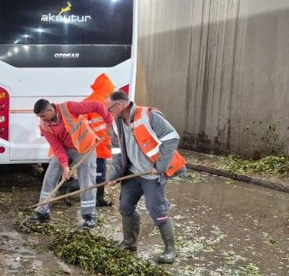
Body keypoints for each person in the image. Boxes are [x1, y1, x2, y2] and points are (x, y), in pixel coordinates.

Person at [105, 90, 186, 264]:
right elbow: (117, 153)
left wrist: (160, 166)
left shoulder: (149, 116)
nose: (108, 112)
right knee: (125, 206)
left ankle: (170, 249)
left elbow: (172, 138)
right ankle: (129, 242)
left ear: (120, 105)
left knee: (156, 210)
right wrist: (115, 175)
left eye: (110, 108)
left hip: (151, 174)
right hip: (132, 173)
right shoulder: (116, 124)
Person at [26, 98, 112, 229]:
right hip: (65, 149)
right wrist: (65, 167)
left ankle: (89, 216)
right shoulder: (44, 125)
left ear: (51, 110)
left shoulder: (69, 108)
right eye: (39, 117)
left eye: (43, 116)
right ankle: (43, 212)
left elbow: (97, 105)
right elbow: (57, 147)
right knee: (50, 176)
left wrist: (109, 123)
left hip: (84, 147)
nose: (42, 119)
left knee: (87, 180)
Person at [83, 73, 117, 208]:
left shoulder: (87, 101)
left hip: (89, 144)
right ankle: (98, 199)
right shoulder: (104, 103)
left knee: (90, 173)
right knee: (99, 174)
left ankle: (94, 197)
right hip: (99, 145)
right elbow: (105, 127)